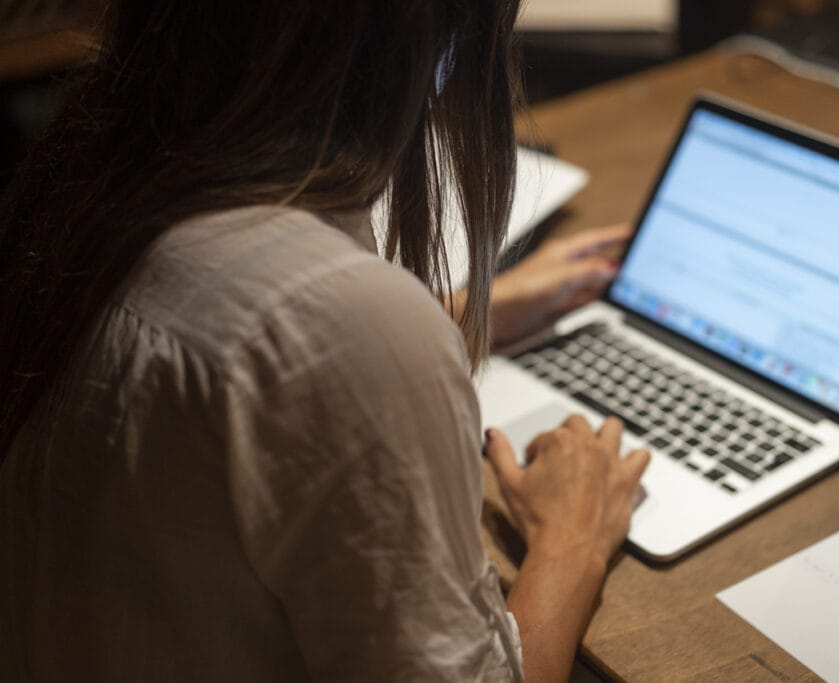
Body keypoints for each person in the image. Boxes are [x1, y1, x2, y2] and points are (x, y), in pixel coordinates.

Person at [0, 2, 650, 682]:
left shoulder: (72, 184)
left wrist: (455, 312)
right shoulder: (343, 324)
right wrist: (573, 536)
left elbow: (240, 347)